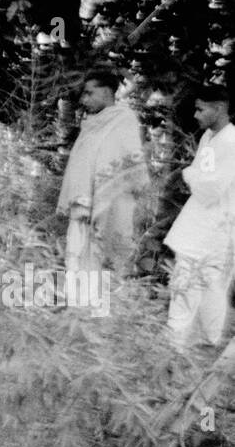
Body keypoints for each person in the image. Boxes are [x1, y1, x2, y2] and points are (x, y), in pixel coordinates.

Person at [57, 68, 150, 278]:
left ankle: (102, 308)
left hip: (110, 205)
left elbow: (125, 165)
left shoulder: (124, 119)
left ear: (107, 93)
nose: (84, 99)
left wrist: (102, 196)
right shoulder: (91, 125)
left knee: (102, 269)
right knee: (76, 263)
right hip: (82, 208)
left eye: (90, 93)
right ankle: (78, 310)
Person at [164, 84, 235, 351]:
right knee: (184, 286)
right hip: (197, 227)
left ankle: (202, 347)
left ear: (218, 109)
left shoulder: (231, 141)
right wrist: (193, 176)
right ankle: (177, 347)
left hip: (217, 230)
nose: (196, 115)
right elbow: (200, 176)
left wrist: (189, 175)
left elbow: (209, 188)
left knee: (209, 290)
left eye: (200, 109)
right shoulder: (209, 137)